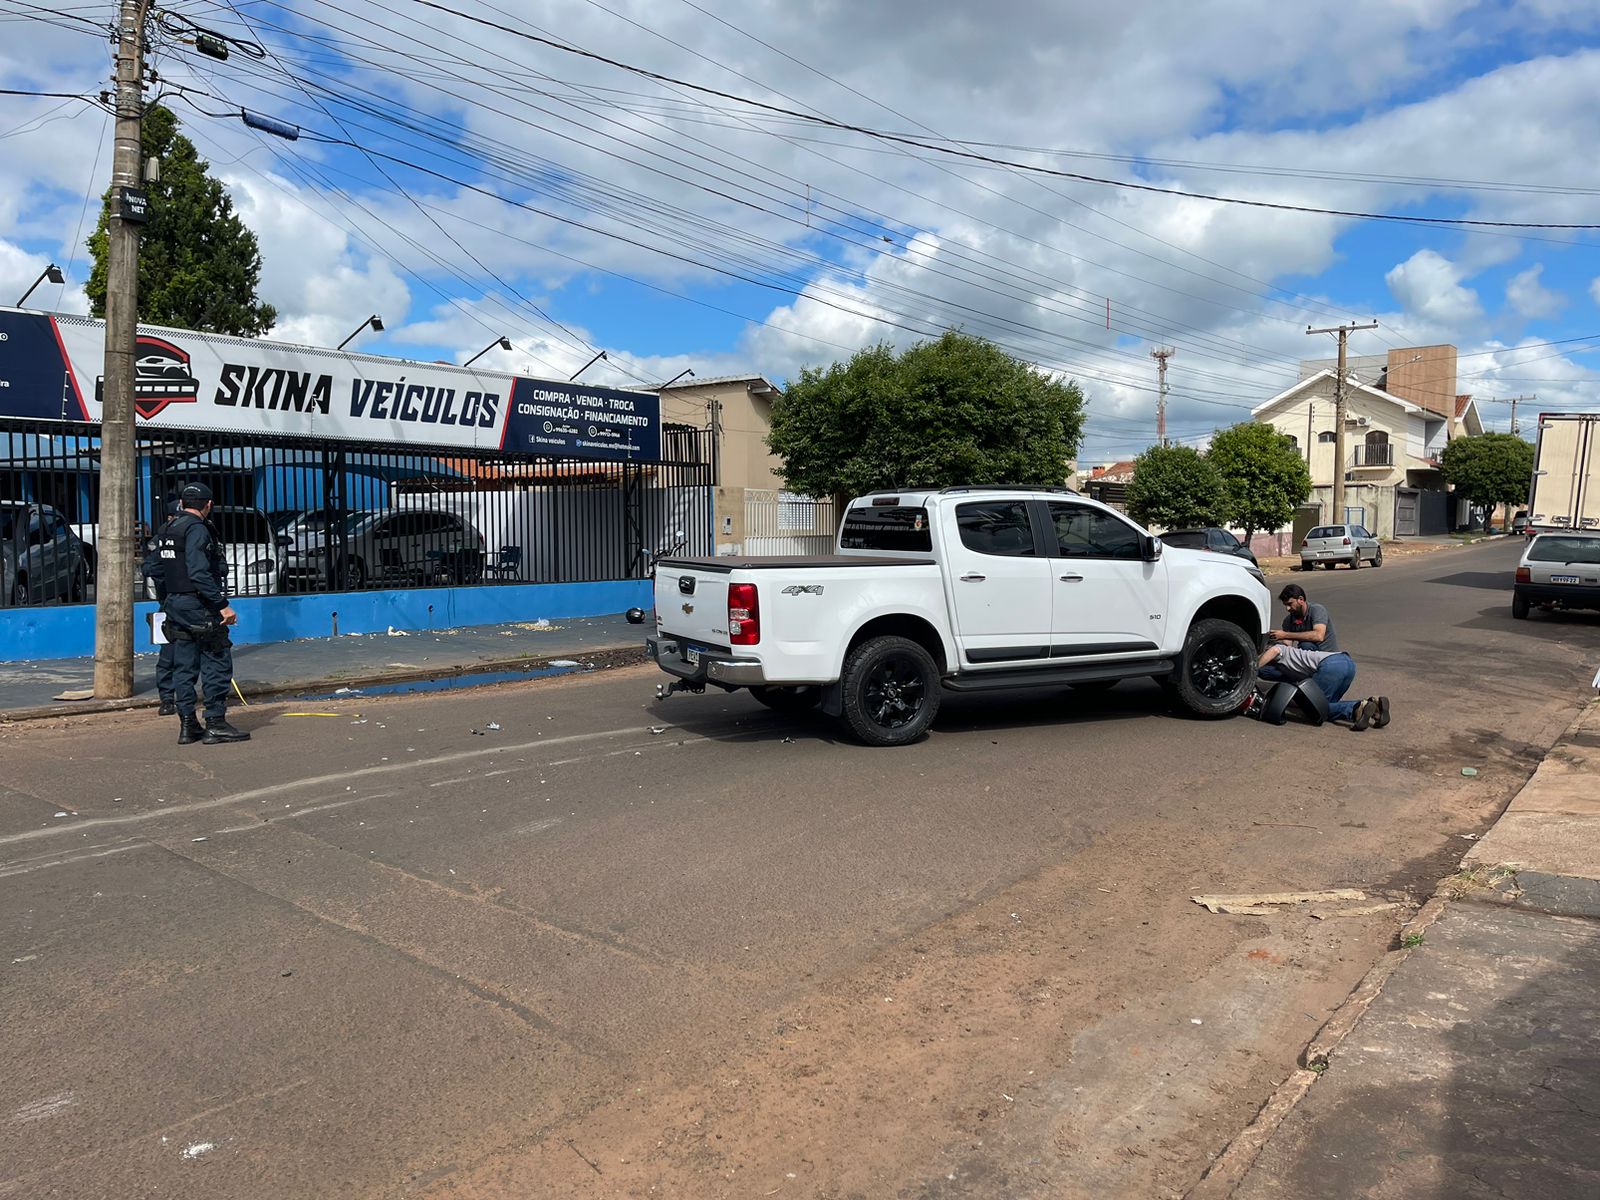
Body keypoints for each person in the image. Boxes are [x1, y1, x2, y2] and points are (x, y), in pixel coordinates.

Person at [157, 483, 249, 745]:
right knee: (217, 659)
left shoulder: (168, 528)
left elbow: (156, 568)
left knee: (183, 665)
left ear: (183, 503)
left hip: (176, 603)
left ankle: (188, 724)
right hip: (199, 605)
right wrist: (222, 604)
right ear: (208, 505)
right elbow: (198, 572)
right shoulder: (197, 529)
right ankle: (216, 722)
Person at [1257, 642, 1390, 731]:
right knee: (1330, 704)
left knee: (1318, 710)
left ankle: (1357, 708)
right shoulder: (1291, 665)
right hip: (1347, 664)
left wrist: (1254, 669)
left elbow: (1274, 650)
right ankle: (1375, 706)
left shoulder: (1281, 650)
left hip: (1330, 666)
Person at [143, 498, 181, 716]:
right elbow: (149, 568)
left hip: (194, 606)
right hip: (169, 605)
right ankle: (167, 698)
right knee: (169, 655)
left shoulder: (197, 535)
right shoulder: (162, 540)